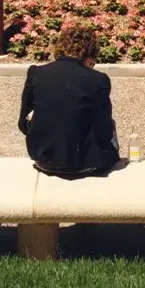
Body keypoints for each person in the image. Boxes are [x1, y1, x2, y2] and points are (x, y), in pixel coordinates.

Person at [18, 24, 119, 178]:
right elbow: (104, 128)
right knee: (109, 123)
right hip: (83, 164)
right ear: (90, 53)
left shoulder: (37, 73)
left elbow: (22, 122)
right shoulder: (98, 79)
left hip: (43, 160)